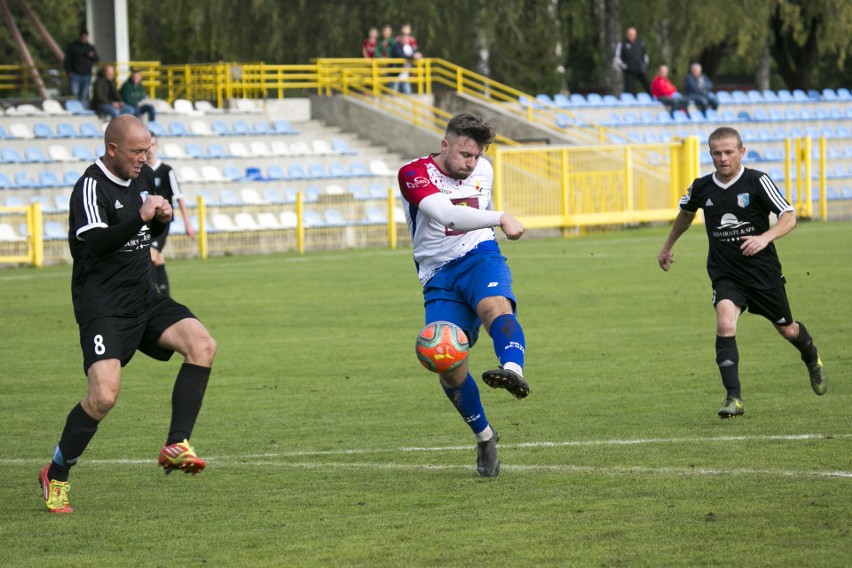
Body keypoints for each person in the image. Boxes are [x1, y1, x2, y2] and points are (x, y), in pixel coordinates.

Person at [38, 115, 217, 513]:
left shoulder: (144, 175)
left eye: (148, 149)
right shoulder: (89, 186)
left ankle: (177, 444)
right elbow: (93, 244)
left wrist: (160, 221)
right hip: (102, 306)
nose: (145, 158)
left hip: (143, 296)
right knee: (103, 397)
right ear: (113, 149)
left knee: (202, 344)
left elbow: (143, 234)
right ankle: (57, 473)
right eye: (137, 151)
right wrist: (140, 216)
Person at [657, 126, 827, 419]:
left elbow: (789, 217)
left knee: (787, 329)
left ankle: (811, 357)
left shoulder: (757, 181)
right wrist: (667, 245)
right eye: (717, 153)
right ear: (710, 154)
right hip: (726, 273)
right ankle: (733, 398)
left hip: (762, 272)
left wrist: (765, 238)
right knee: (725, 323)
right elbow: (685, 214)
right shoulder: (701, 187)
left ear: (741, 152)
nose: (723, 158)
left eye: (729, 152)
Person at [398, 113, 529, 478]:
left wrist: (493, 223)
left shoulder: (482, 170)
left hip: (479, 256)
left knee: (494, 306)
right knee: (448, 363)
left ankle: (512, 371)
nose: (471, 164)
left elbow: (470, 223)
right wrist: (500, 216)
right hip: (438, 274)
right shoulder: (413, 173)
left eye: (476, 156)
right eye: (464, 155)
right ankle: (485, 436)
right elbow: (446, 216)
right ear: (445, 145)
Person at [146, 133, 195, 296]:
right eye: (147, 146)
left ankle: (150, 297)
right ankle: (165, 297)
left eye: (153, 145)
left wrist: (187, 223)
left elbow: (179, 197)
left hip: (162, 223)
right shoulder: (141, 171)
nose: (150, 150)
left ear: (157, 147)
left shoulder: (166, 170)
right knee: (158, 258)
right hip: (146, 223)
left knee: (151, 255)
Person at [64, 29, 99, 105]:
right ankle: (74, 109)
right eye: (83, 37)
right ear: (80, 37)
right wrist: (69, 72)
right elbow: (67, 60)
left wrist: (92, 56)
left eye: (85, 37)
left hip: (86, 75)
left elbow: (97, 60)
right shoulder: (73, 46)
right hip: (75, 74)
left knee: (84, 95)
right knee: (74, 94)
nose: (84, 38)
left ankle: (82, 110)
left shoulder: (90, 47)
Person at [614, 26, 650, 95]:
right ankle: (628, 102)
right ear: (627, 34)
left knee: (648, 84)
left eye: (633, 34)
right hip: (629, 71)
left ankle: (655, 98)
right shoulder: (622, 44)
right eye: (630, 33)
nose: (631, 35)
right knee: (629, 89)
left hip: (641, 69)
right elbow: (617, 58)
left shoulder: (640, 43)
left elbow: (645, 55)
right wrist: (625, 66)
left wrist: (644, 65)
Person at [390, 23, 420, 94]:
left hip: (405, 74)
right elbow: (401, 55)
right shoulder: (396, 46)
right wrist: (413, 56)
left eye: (406, 38)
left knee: (407, 93)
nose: (405, 39)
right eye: (403, 38)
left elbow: (414, 54)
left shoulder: (410, 46)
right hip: (396, 73)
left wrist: (418, 55)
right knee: (393, 93)